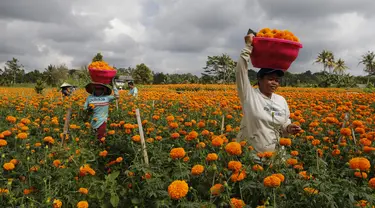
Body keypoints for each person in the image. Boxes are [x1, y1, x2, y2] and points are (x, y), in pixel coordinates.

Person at [235, 33, 302, 164]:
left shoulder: (281, 100)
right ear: (259, 79)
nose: (274, 83)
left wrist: (289, 128)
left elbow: (283, 124)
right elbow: (240, 72)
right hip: (252, 159)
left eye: (277, 80)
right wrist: (248, 47)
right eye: (270, 79)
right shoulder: (249, 95)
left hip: (276, 160)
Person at [84, 78, 119, 143]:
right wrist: (89, 108)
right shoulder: (90, 97)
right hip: (94, 119)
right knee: (93, 135)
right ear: (94, 89)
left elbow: (117, 96)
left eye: (100, 89)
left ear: (103, 89)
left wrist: (113, 86)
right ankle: (95, 148)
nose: (98, 90)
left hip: (103, 119)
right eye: (97, 88)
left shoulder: (107, 97)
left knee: (101, 136)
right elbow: (85, 107)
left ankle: (101, 148)